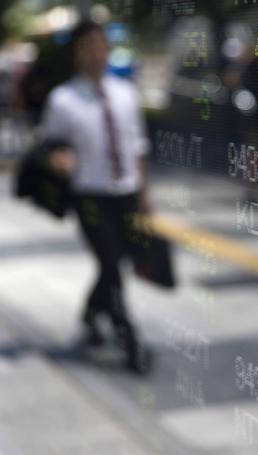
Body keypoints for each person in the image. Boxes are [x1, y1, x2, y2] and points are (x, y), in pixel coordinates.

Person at [39, 20, 153, 374]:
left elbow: (137, 147)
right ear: (77, 52)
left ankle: (91, 312)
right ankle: (130, 338)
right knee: (109, 262)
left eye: (101, 45)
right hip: (89, 194)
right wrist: (57, 159)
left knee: (115, 262)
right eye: (88, 45)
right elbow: (47, 145)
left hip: (126, 192)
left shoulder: (126, 94)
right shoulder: (63, 100)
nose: (96, 53)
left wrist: (145, 195)